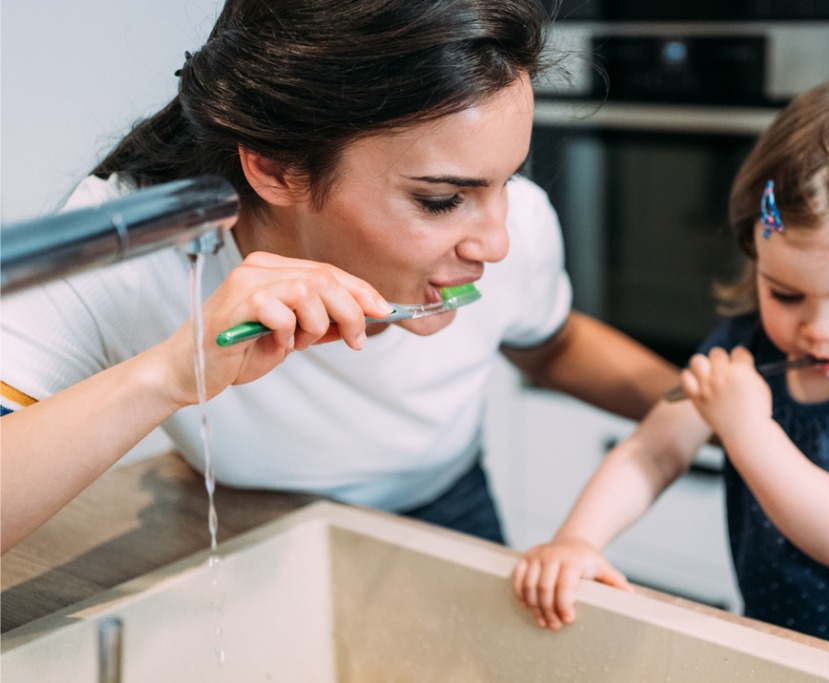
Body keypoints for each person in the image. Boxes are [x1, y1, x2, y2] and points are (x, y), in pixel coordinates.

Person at [0, 0, 678, 555]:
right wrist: (170, 374)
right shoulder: (131, 247)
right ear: (277, 167)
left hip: (451, 508)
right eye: (441, 199)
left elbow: (549, 343)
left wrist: (707, 407)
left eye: (509, 178)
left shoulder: (515, 224)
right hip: (245, 525)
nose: (497, 241)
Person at [511, 78, 829, 682]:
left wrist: (747, 429)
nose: (818, 329)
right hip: (781, 657)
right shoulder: (745, 344)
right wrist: (578, 540)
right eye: (787, 293)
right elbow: (655, 447)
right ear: (756, 252)